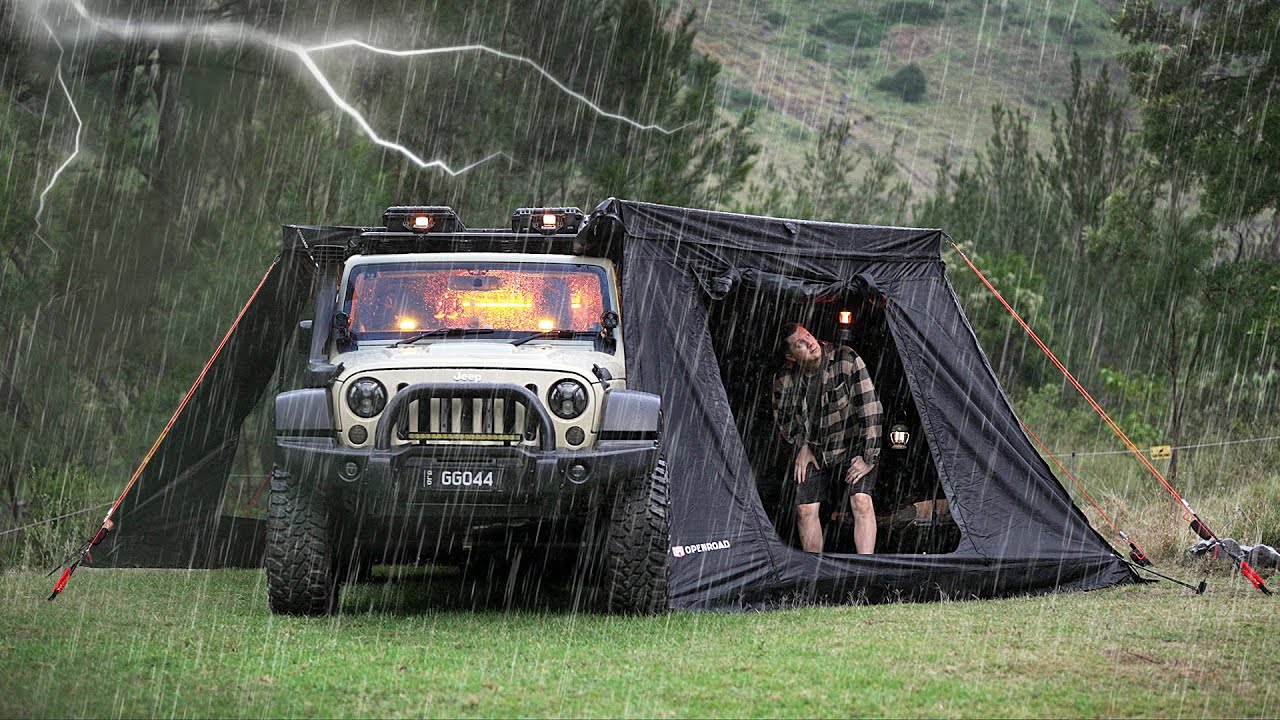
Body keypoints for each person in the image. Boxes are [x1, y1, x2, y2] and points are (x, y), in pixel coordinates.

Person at [771, 322, 883, 554]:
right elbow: (784, 419)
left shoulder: (845, 359)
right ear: (790, 356)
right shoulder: (784, 379)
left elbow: (871, 408)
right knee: (805, 509)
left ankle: (865, 571)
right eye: (800, 344)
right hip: (816, 448)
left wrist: (869, 457)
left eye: (808, 335)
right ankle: (816, 576)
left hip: (854, 446)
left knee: (861, 501)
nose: (810, 343)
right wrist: (803, 445)